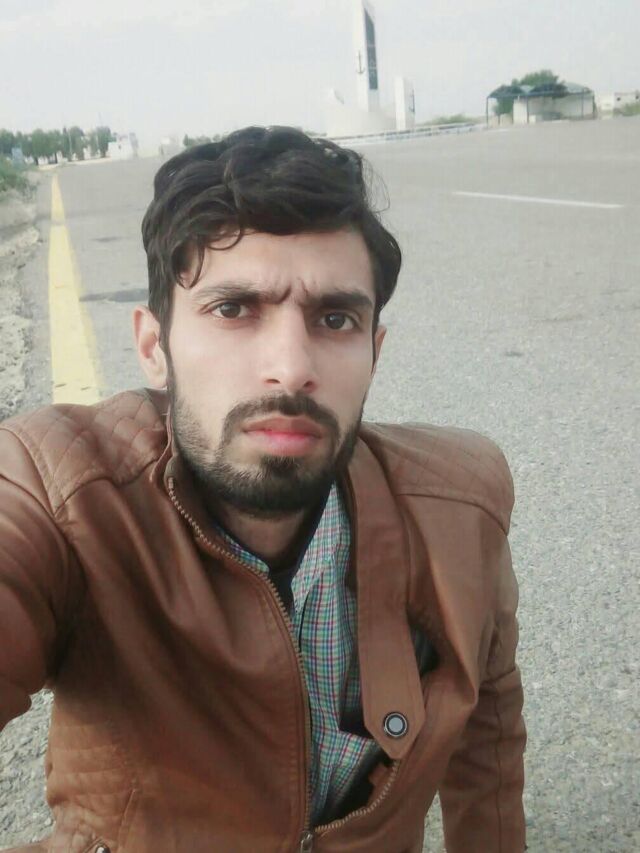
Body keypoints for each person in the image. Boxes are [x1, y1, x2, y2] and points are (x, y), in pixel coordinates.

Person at [0, 126, 525, 853]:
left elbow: (488, 737)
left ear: (373, 353)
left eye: (335, 318)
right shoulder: (59, 494)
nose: (291, 366)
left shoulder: (460, 505)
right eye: (234, 309)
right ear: (154, 347)